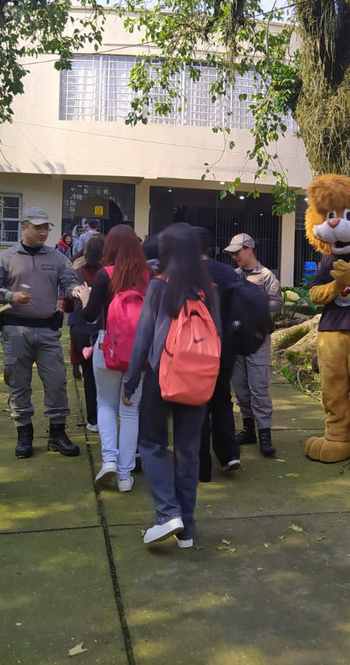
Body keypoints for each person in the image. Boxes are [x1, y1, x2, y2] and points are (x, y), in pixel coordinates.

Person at [123, 223, 222, 548]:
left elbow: (144, 339)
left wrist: (130, 380)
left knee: (151, 444)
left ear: (165, 253)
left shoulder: (159, 286)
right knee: (188, 451)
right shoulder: (210, 290)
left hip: (160, 376)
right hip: (198, 379)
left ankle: (167, 514)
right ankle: (187, 530)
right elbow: (217, 337)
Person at [0, 206, 84, 459]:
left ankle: (57, 434)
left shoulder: (58, 258)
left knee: (57, 383)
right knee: (18, 384)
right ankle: (24, 433)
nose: (43, 231)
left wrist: (75, 291)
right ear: (24, 227)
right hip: (15, 331)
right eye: (37, 227)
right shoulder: (5, 258)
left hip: (48, 332)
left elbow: (69, 283)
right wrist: (9, 295)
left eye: (46, 227)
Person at [81, 225, 150, 492]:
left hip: (107, 346)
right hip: (139, 351)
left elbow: (88, 317)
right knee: (131, 409)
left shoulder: (104, 275)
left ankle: (109, 459)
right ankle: (124, 476)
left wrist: (86, 299)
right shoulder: (148, 275)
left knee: (106, 404)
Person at [225, 232, 283, 456]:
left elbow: (277, 303)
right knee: (240, 387)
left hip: (257, 339)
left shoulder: (266, 275)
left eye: (238, 252)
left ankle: (264, 434)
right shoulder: (233, 276)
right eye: (232, 254)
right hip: (237, 338)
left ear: (249, 249)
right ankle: (248, 428)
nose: (235, 257)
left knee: (258, 386)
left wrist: (253, 307)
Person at [196, 227, 241, 481]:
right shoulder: (227, 272)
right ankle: (229, 454)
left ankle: (202, 466)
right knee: (222, 399)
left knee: (198, 405)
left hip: (194, 347)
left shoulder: (185, 274)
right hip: (224, 345)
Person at [63, 233, 105, 431]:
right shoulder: (111, 273)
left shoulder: (78, 273)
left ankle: (93, 419)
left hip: (84, 331)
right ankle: (109, 417)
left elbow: (67, 304)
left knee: (89, 376)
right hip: (107, 329)